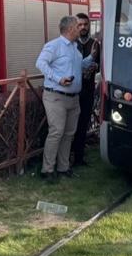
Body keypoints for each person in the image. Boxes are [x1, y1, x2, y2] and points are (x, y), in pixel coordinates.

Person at [36, 15, 97, 181]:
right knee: (56, 132)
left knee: (68, 133)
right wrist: (58, 79)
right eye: (78, 26)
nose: (81, 29)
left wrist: (91, 58)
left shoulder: (74, 47)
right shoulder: (54, 45)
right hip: (56, 96)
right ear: (71, 28)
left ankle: (63, 167)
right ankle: (47, 170)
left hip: (73, 98)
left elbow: (78, 65)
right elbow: (41, 63)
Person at [71, 13, 100, 167]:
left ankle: (79, 158)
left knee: (83, 125)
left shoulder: (95, 44)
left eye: (85, 25)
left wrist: (96, 67)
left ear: (89, 26)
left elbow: (100, 66)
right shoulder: (71, 44)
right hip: (72, 91)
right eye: (79, 25)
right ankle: (66, 158)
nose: (82, 27)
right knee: (70, 126)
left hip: (87, 91)